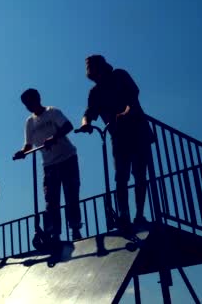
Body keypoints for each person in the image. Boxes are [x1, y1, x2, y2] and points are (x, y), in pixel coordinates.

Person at [78, 54, 154, 230]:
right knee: (121, 176)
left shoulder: (120, 75)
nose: (95, 76)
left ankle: (140, 214)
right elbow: (89, 112)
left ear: (102, 68)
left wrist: (125, 113)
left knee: (140, 174)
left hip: (138, 131)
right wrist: (85, 124)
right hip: (118, 137)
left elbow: (132, 98)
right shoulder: (95, 92)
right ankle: (123, 214)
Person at [13, 89, 83, 241]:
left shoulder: (52, 112)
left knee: (71, 194)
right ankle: (55, 233)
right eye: (26, 104)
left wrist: (54, 137)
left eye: (30, 102)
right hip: (49, 164)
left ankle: (75, 229)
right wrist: (22, 152)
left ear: (37, 99)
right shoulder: (29, 122)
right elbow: (28, 144)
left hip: (67, 158)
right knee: (51, 200)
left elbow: (68, 126)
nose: (28, 106)